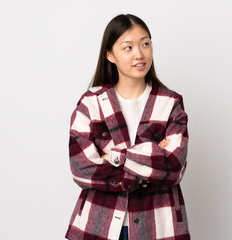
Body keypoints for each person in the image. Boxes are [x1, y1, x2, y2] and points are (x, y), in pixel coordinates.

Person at [65, 14, 190, 240]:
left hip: (158, 227)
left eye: (145, 44)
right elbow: (81, 168)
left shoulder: (170, 103)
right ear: (110, 55)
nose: (139, 54)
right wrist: (149, 162)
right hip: (99, 225)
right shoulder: (90, 103)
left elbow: (173, 167)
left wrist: (113, 157)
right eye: (128, 47)